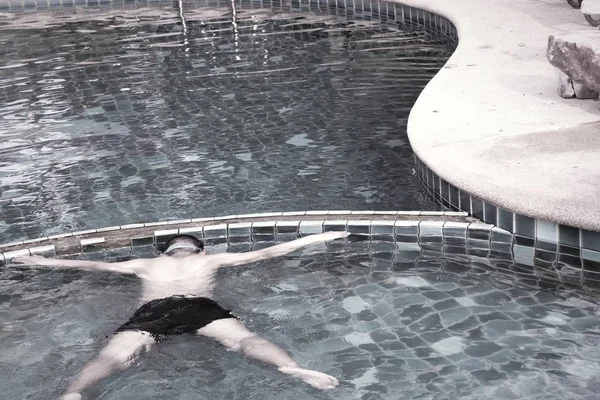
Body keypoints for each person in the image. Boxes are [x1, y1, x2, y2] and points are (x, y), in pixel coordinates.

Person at [13, 230, 349, 400]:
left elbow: (89, 264)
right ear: (200, 249)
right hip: (199, 305)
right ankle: (291, 368)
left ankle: (74, 392)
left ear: (164, 251)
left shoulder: (144, 263)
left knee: (115, 357)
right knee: (246, 340)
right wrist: (321, 236)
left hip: (154, 310)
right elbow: (270, 251)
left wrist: (41, 261)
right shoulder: (211, 259)